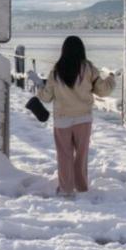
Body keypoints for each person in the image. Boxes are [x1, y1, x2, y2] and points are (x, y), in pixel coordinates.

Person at [27, 36, 115, 197]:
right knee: (81, 154)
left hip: (62, 119)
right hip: (83, 118)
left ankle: (66, 189)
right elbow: (103, 90)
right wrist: (111, 77)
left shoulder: (57, 69)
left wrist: (39, 84)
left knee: (64, 155)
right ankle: (81, 187)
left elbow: (46, 97)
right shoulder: (88, 68)